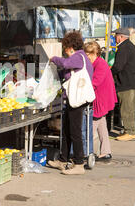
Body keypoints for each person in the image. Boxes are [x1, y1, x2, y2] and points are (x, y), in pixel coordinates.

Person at [48, 31, 94, 175]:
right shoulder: (79, 58)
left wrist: (54, 59)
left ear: (70, 47)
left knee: (75, 131)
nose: (65, 51)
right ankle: (63, 159)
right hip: (71, 99)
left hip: (77, 100)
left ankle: (79, 164)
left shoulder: (79, 56)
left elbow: (66, 63)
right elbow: (68, 73)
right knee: (67, 130)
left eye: (65, 48)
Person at [84, 41, 117, 161]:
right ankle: (105, 151)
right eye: (86, 53)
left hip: (101, 99)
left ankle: (86, 152)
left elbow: (95, 82)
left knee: (91, 129)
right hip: (102, 98)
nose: (88, 56)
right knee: (102, 125)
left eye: (90, 54)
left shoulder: (100, 64)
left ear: (96, 53)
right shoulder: (97, 63)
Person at [111, 28, 135, 142]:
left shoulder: (123, 48)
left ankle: (130, 132)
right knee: (130, 108)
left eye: (115, 36)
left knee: (126, 109)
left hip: (127, 83)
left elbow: (118, 66)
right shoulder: (130, 46)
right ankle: (129, 130)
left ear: (120, 36)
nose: (115, 38)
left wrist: (109, 73)